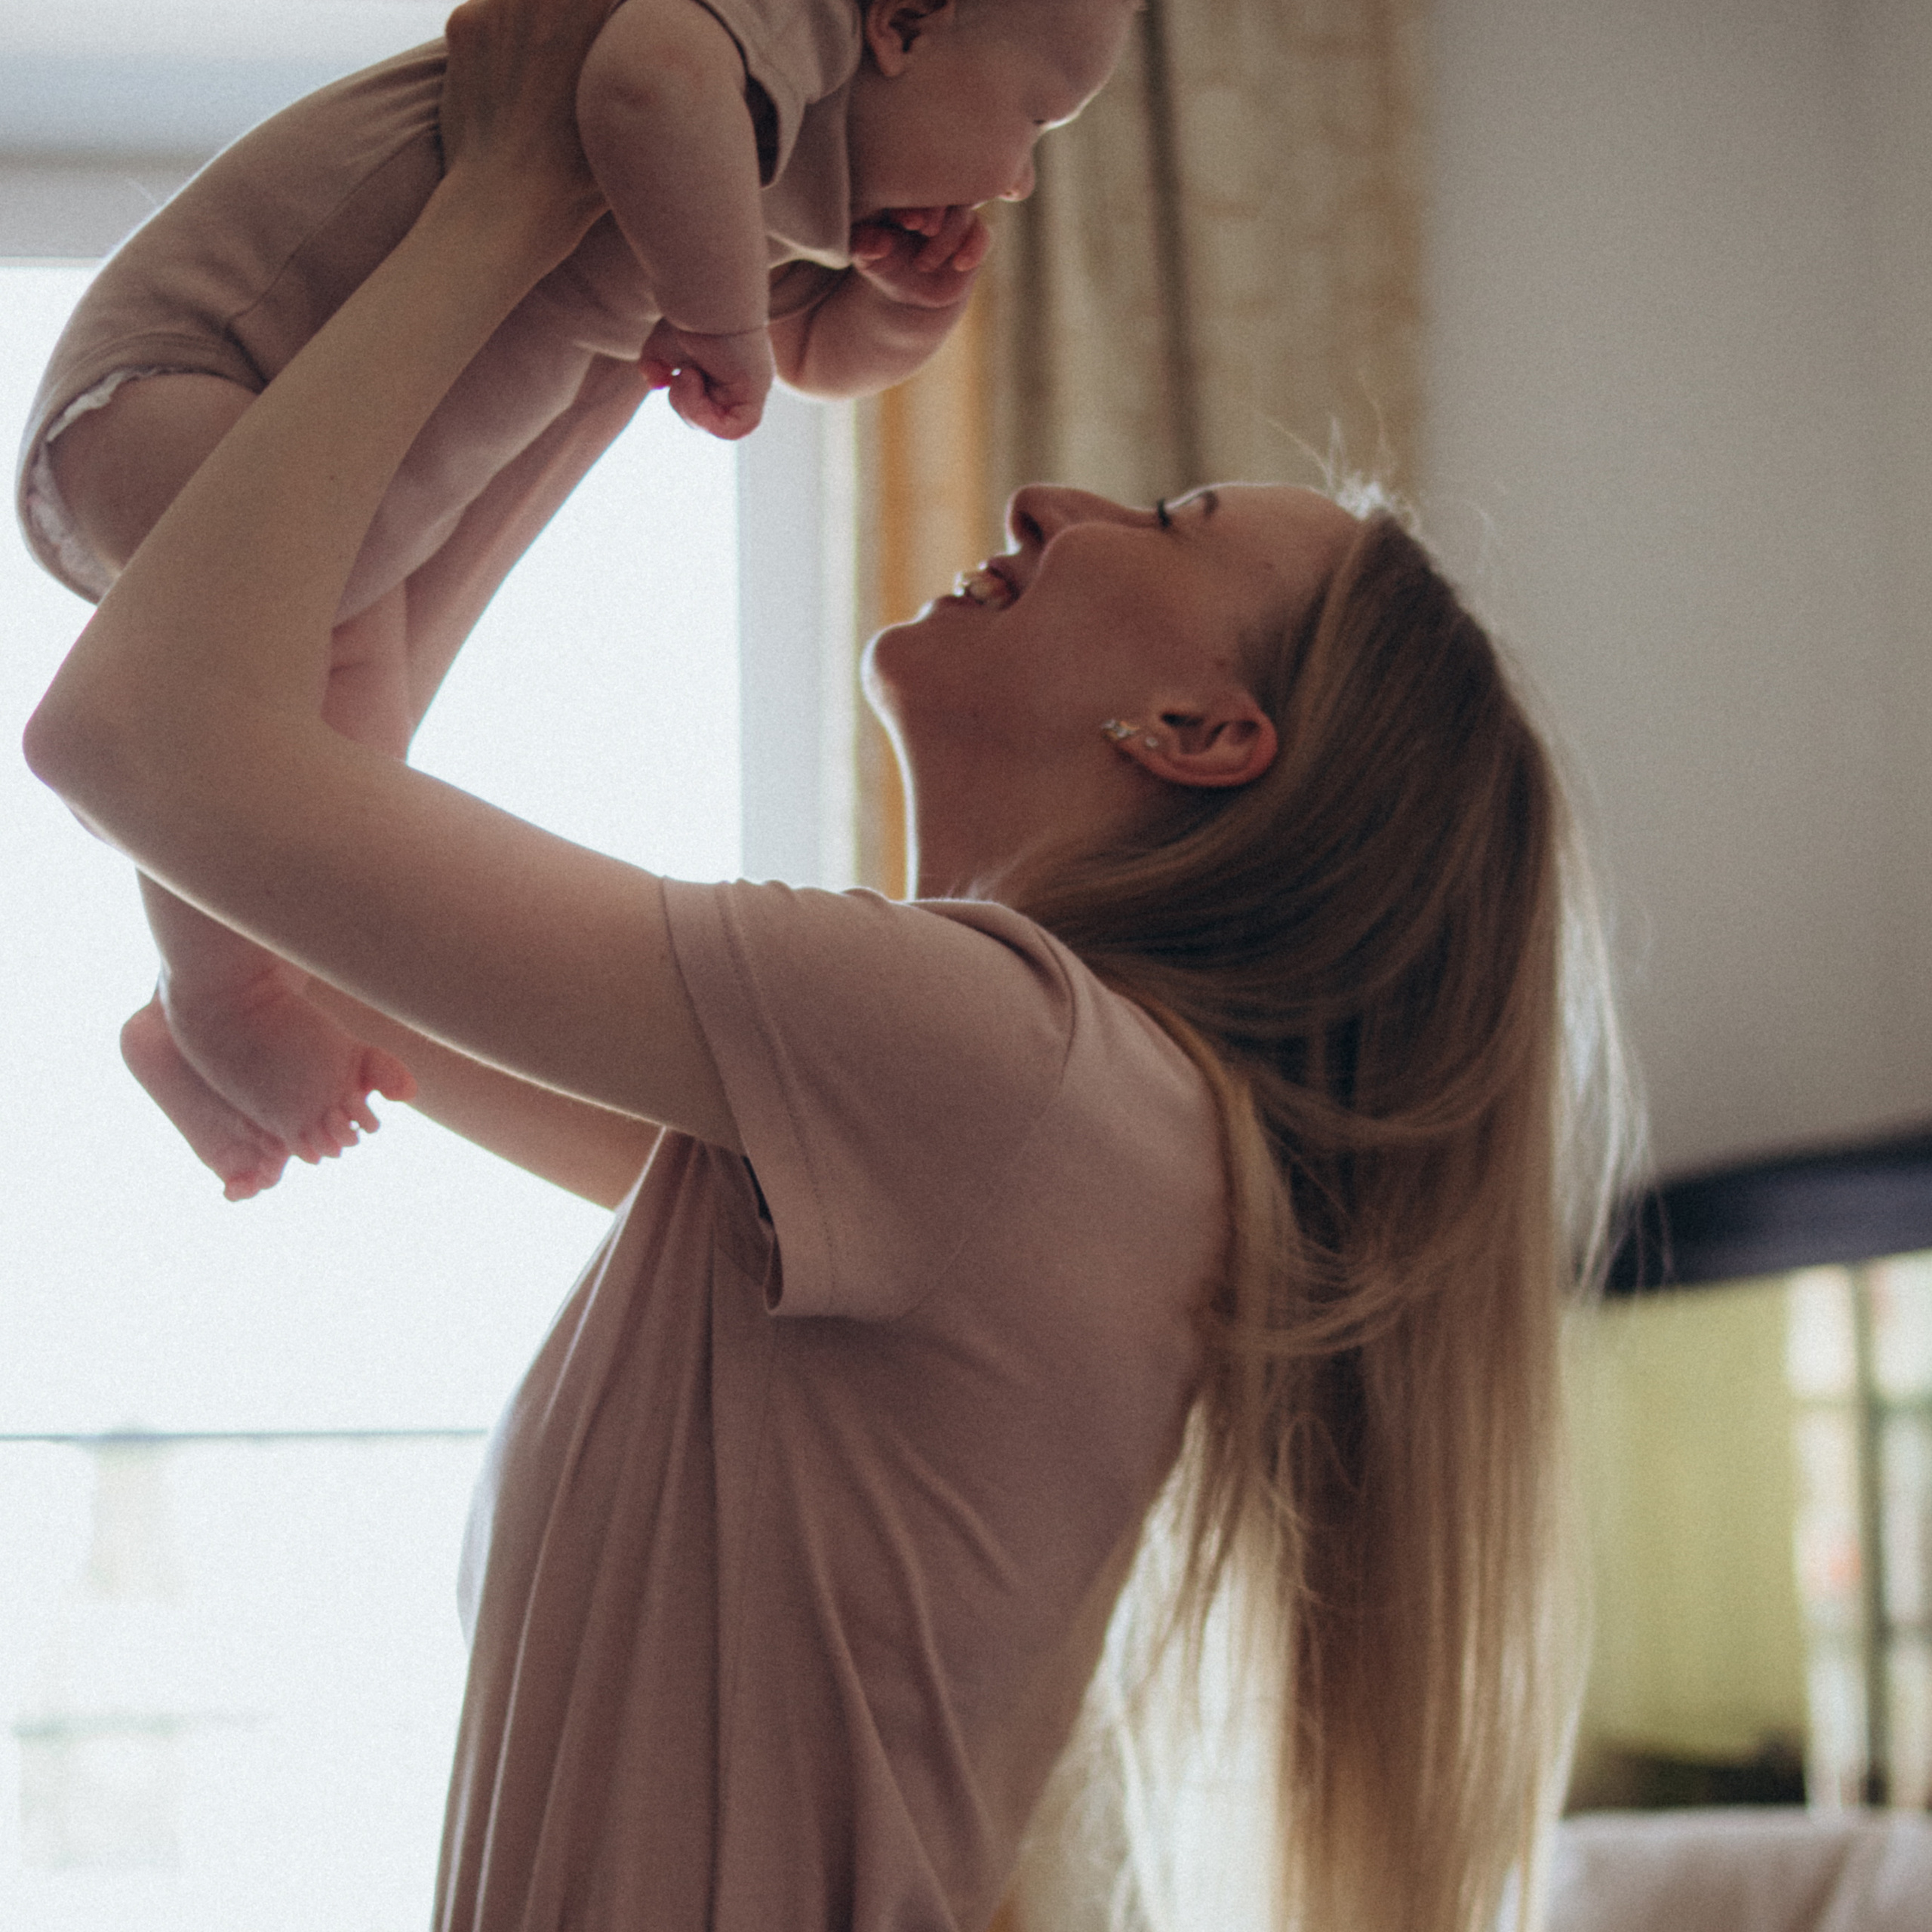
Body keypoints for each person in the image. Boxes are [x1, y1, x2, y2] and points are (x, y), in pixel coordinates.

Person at [23, 0, 1629, 1924]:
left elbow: (147, 744)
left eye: (1167, 525)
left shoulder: (997, 1071)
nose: (1052, 501)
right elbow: (293, 875)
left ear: (1201, 731)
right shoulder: (997, 1130)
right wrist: (608, 303)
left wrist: (517, 199)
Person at [15, 0, 1132, 1204]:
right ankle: (220, 995)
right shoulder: (770, 40)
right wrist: (714, 321)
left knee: (328, 771)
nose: (1020, 179)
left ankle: (203, 1011)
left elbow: (810, 357)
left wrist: (906, 308)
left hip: (329, 510)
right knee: (242, 728)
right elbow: (648, 81)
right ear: (905, 24)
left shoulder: (781, 178)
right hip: (182, 384)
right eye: (1035, 116)